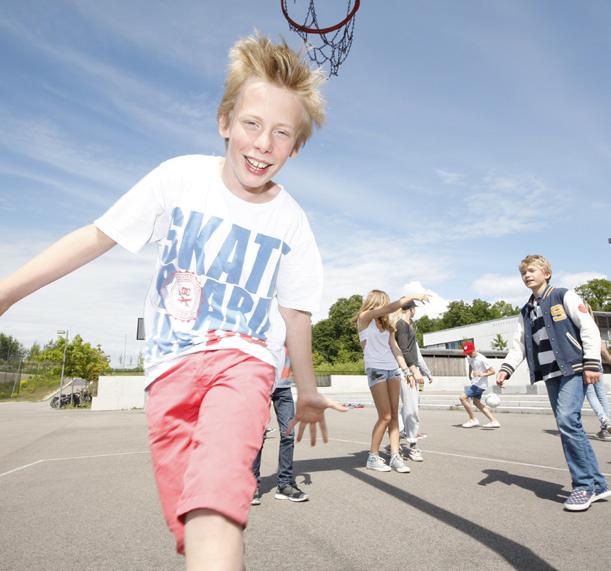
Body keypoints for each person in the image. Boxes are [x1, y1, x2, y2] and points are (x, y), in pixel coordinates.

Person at [0, 33, 347, 569]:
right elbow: (98, 236)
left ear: (295, 147)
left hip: (244, 364)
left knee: (216, 506)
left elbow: (295, 312)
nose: (262, 144)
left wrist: (305, 390)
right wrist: (6, 294)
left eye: (281, 134)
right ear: (224, 121)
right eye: (252, 124)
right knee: (192, 525)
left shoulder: (292, 222)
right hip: (170, 369)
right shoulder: (178, 178)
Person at [497, 255, 609, 512]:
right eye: (523, 273)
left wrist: (592, 362)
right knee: (571, 425)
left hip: (573, 368)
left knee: (568, 421)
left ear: (546, 272)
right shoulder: (525, 311)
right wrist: (506, 369)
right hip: (550, 374)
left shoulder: (562, 295)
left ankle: (583, 485)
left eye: (532, 270)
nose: (527, 275)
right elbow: (518, 345)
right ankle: (598, 484)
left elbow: (588, 328)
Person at [354, 290, 430, 473]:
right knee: (385, 416)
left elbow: (395, 349)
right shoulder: (364, 318)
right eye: (384, 303)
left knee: (394, 415)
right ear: (377, 302)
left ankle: (395, 456)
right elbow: (389, 308)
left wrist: (407, 371)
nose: (387, 308)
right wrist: (411, 297)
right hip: (376, 370)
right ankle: (373, 456)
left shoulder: (388, 325)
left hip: (392, 370)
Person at [251, 349, 309, 504]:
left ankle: (284, 485)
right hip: (259, 384)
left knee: (288, 434)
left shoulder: (289, 327)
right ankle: (251, 485)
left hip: (283, 387)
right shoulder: (262, 325)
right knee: (257, 435)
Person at [393, 300, 428, 461]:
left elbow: (415, 351)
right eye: (415, 309)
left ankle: (396, 441)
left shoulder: (407, 325)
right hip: (406, 372)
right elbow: (404, 349)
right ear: (411, 309)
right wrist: (413, 371)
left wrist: (425, 371)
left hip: (408, 370)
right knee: (412, 409)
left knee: (406, 409)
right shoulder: (402, 325)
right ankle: (413, 446)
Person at [583, 304, 611, 440]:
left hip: (586, 366)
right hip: (598, 364)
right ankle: (606, 428)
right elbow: (603, 349)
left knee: (592, 396)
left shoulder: (577, 327)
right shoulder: (594, 327)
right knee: (602, 396)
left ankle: (605, 421)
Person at [459, 341, 500, 428]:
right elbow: (471, 364)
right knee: (476, 402)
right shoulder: (469, 357)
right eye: (467, 353)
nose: (468, 354)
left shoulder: (482, 359)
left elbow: (492, 371)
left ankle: (473, 419)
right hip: (476, 383)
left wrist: (482, 374)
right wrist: (469, 374)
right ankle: (494, 421)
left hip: (480, 384)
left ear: (473, 349)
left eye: (469, 352)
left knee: (462, 397)